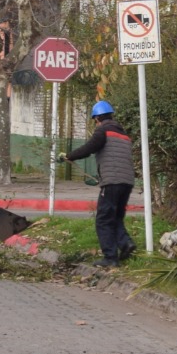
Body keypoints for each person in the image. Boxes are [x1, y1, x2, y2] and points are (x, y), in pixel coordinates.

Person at [59, 101, 137, 267]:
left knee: (103, 219)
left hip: (112, 182)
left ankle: (110, 258)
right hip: (127, 181)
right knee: (116, 216)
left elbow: (89, 148)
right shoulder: (124, 134)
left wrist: (69, 156)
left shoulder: (103, 131)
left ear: (97, 118)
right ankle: (125, 243)